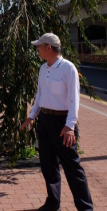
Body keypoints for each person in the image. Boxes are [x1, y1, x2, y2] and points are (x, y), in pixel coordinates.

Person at [21, 33, 93, 211]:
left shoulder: (68, 69)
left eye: (39, 46)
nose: (37, 49)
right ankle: (53, 204)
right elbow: (40, 95)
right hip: (44, 121)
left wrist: (70, 125)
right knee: (48, 164)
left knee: (72, 168)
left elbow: (74, 99)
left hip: (63, 124)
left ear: (49, 48)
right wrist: (32, 116)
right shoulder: (43, 69)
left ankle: (86, 208)